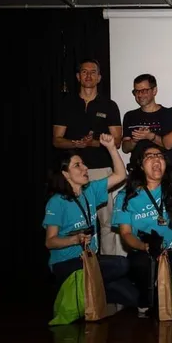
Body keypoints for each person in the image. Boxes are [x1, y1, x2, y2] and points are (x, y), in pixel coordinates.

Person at [112, 106, 172, 317]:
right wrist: (146, 246)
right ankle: (144, 298)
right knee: (139, 266)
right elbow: (126, 234)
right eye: (149, 157)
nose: (156, 160)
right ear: (139, 165)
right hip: (146, 253)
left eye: (160, 156)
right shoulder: (125, 196)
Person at [43, 133, 138, 309]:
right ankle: (73, 291)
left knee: (133, 298)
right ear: (65, 173)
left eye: (83, 164)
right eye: (77, 165)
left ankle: (86, 294)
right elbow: (50, 241)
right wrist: (74, 239)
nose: (85, 168)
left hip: (90, 260)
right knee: (121, 264)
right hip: (66, 264)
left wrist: (110, 147)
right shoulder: (57, 201)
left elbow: (120, 175)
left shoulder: (90, 190)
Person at [52, 59, 124, 256]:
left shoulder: (109, 105)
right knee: (76, 221)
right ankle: (81, 265)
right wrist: (76, 144)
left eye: (93, 72)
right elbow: (57, 140)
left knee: (107, 222)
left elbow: (117, 141)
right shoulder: (66, 104)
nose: (89, 76)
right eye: (84, 72)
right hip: (73, 173)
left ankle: (109, 264)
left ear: (99, 77)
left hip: (102, 170)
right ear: (78, 76)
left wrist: (92, 143)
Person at [121, 74, 167, 170]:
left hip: (162, 171)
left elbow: (171, 146)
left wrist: (150, 136)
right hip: (136, 171)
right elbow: (125, 148)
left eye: (144, 91)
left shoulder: (168, 114)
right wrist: (134, 141)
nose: (140, 95)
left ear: (154, 91)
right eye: (136, 91)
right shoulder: (130, 116)